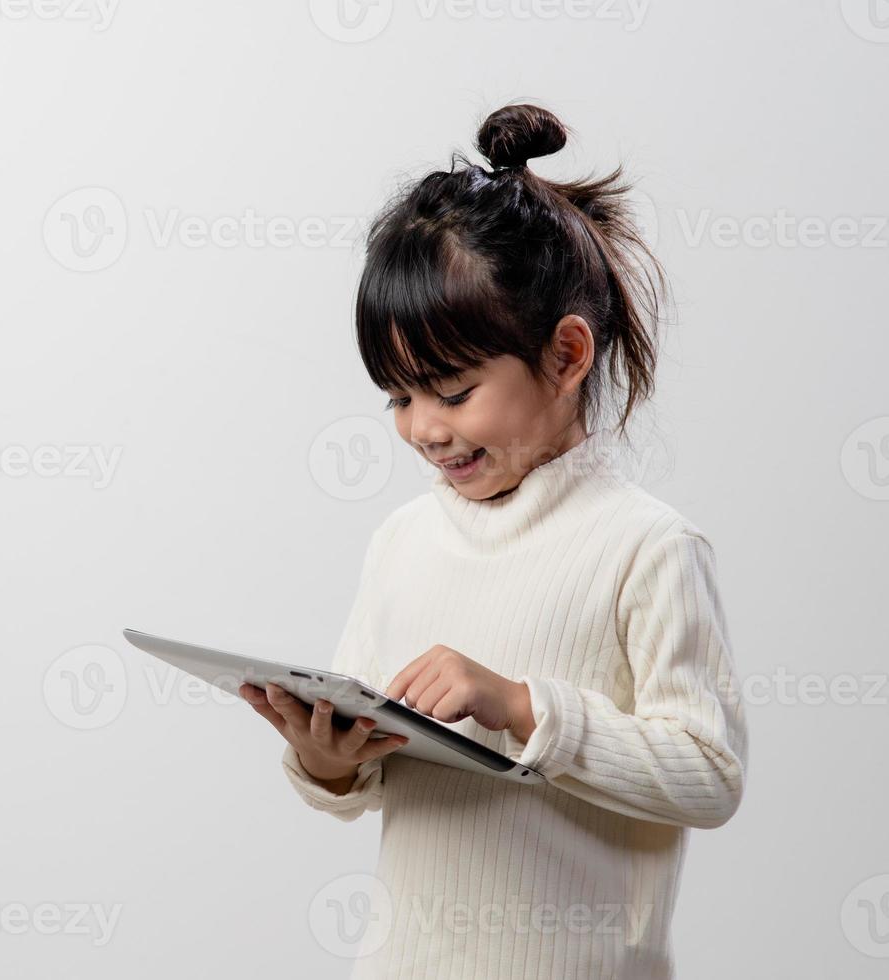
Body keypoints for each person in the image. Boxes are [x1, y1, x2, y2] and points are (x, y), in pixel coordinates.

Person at [239, 102, 748, 980]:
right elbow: (363, 762)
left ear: (567, 356)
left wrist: (521, 705)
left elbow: (709, 774)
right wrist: (326, 760)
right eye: (399, 398)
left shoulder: (645, 547)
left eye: (452, 389)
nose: (425, 430)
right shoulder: (402, 541)